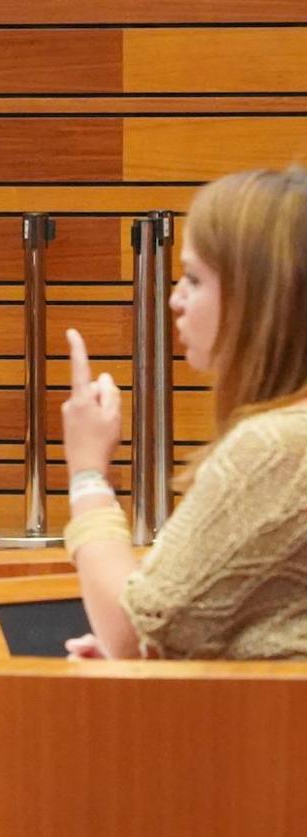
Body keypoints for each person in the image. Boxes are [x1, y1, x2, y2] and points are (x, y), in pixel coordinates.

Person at [62, 166, 307, 661]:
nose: (174, 299)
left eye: (194, 278)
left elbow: (134, 631)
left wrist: (88, 475)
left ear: (258, 295)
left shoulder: (277, 446)